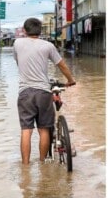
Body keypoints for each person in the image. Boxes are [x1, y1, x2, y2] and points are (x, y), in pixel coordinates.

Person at [13, 18, 76, 164]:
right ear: (40, 31)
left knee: (26, 131)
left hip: (25, 93)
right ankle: (42, 163)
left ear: (24, 30)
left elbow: (18, 62)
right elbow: (62, 66)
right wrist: (71, 80)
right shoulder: (48, 46)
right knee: (44, 130)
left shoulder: (17, 43)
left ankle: (25, 167)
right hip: (43, 92)